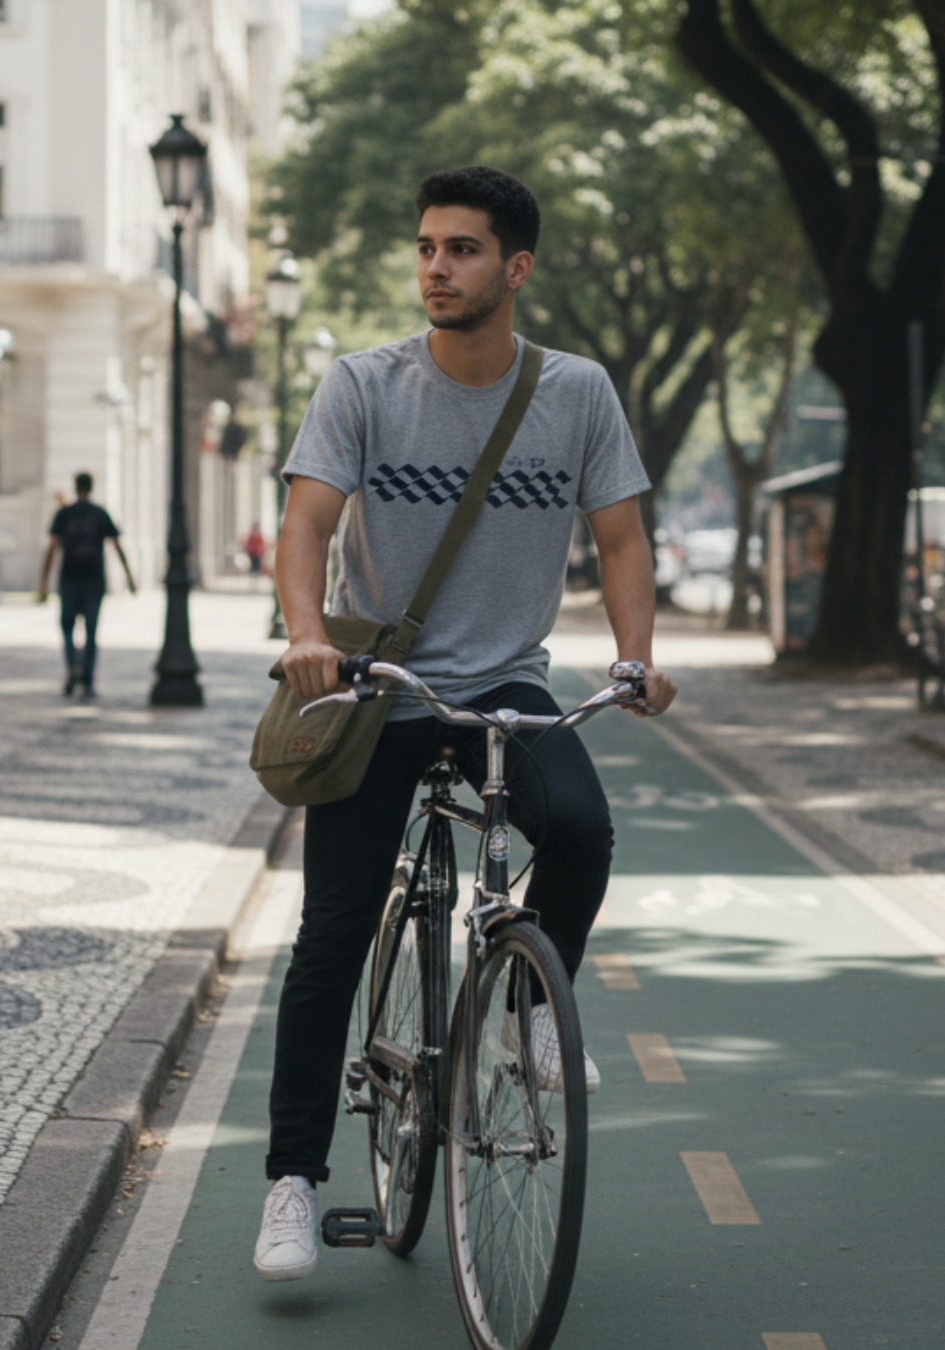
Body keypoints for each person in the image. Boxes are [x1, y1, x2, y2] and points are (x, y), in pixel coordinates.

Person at [253, 166, 677, 1281]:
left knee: (580, 828)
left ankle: (529, 1010)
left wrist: (636, 659)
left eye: (463, 249)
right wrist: (308, 636)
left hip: (511, 684)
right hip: (380, 687)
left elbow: (622, 538)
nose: (437, 267)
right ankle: (293, 1182)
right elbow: (307, 526)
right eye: (428, 247)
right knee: (333, 932)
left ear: (516, 267)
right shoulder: (364, 383)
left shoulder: (576, 392)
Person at [37, 472, 136, 696]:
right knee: (91, 631)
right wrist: (129, 577)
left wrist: (43, 581)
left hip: (69, 578)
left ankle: (73, 665)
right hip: (94, 579)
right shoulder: (99, 513)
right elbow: (117, 545)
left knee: (67, 627)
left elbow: (52, 548)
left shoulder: (65, 514)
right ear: (91, 488)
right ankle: (87, 676)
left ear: (76, 487)